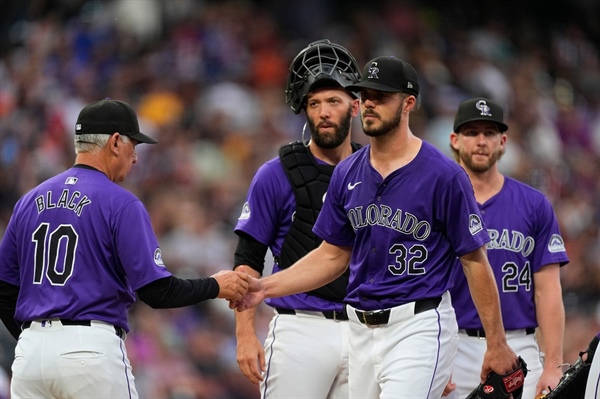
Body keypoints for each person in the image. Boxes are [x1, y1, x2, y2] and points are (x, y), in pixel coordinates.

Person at [232, 56, 518, 398]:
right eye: (364, 95)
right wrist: (265, 287)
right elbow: (332, 255)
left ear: (408, 103)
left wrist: (496, 343)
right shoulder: (347, 172)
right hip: (360, 331)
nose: (369, 103)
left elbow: (475, 261)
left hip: (419, 323)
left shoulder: (444, 175)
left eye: (380, 96)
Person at [0, 98, 253, 399]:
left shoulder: (29, 201)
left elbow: (4, 289)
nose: (135, 158)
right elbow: (157, 292)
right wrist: (215, 286)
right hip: (89, 349)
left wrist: (34, 337)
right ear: (116, 142)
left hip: (31, 355)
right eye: (134, 145)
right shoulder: (121, 202)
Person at [233, 39, 361, 398]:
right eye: (313, 102)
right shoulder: (277, 174)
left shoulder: (376, 173)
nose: (323, 112)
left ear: (355, 105)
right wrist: (245, 334)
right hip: (299, 328)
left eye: (333, 101)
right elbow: (247, 258)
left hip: (365, 329)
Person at [444, 97, 570, 398]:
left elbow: (548, 290)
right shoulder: (438, 201)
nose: (481, 141)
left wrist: (553, 363)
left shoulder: (534, 204)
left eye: (489, 133)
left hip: (519, 346)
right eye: (472, 132)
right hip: (454, 344)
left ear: (503, 142)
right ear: (455, 140)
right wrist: (433, 352)